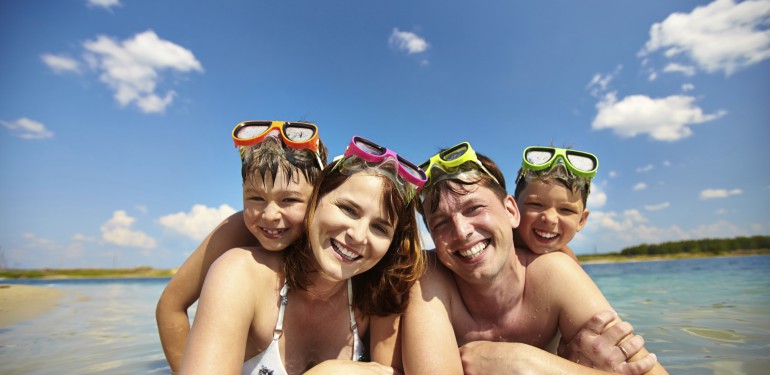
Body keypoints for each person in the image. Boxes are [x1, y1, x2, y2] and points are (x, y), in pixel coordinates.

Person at [402, 141, 667, 374]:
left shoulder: (555, 273)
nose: (461, 231)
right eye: (440, 223)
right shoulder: (429, 278)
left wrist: (530, 364)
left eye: (474, 208)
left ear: (511, 211)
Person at [180, 136, 426, 374]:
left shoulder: (377, 294)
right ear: (314, 202)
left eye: (380, 228)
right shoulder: (239, 275)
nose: (359, 236)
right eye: (348, 209)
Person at [156, 120, 328, 373]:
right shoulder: (237, 231)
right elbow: (170, 307)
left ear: (319, 196)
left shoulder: (339, 241)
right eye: (256, 198)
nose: (269, 215)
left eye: (289, 199)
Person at [513, 146, 598, 262]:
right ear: (512, 209)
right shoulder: (497, 243)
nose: (550, 218)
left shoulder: (569, 259)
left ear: (581, 220)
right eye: (536, 204)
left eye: (566, 210)